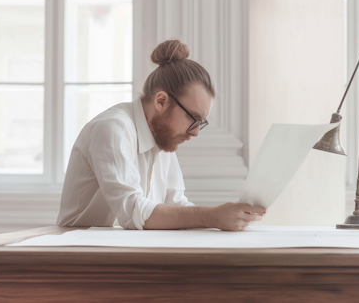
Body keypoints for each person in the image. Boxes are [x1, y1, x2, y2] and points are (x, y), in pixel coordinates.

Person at [57, 39, 264, 231]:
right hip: (78, 257)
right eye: (193, 118)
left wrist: (226, 220)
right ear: (161, 101)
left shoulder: (162, 137)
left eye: (201, 123)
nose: (195, 132)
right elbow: (133, 211)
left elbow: (176, 205)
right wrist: (211, 217)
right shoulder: (113, 129)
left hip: (122, 252)